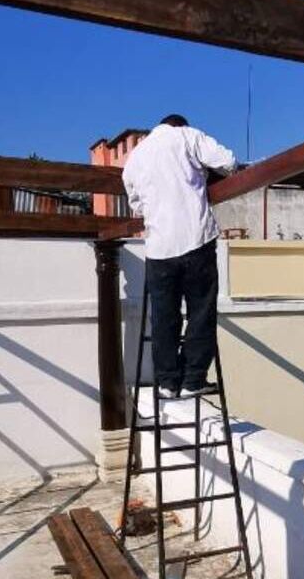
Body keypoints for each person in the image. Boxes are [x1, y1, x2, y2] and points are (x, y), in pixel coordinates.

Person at [122, 114, 238, 398]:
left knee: (164, 316)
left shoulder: (136, 157)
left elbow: (135, 204)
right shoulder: (187, 136)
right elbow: (228, 162)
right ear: (180, 125)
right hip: (195, 239)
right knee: (200, 312)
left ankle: (167, 382)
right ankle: (193, 379)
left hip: (159, 248)